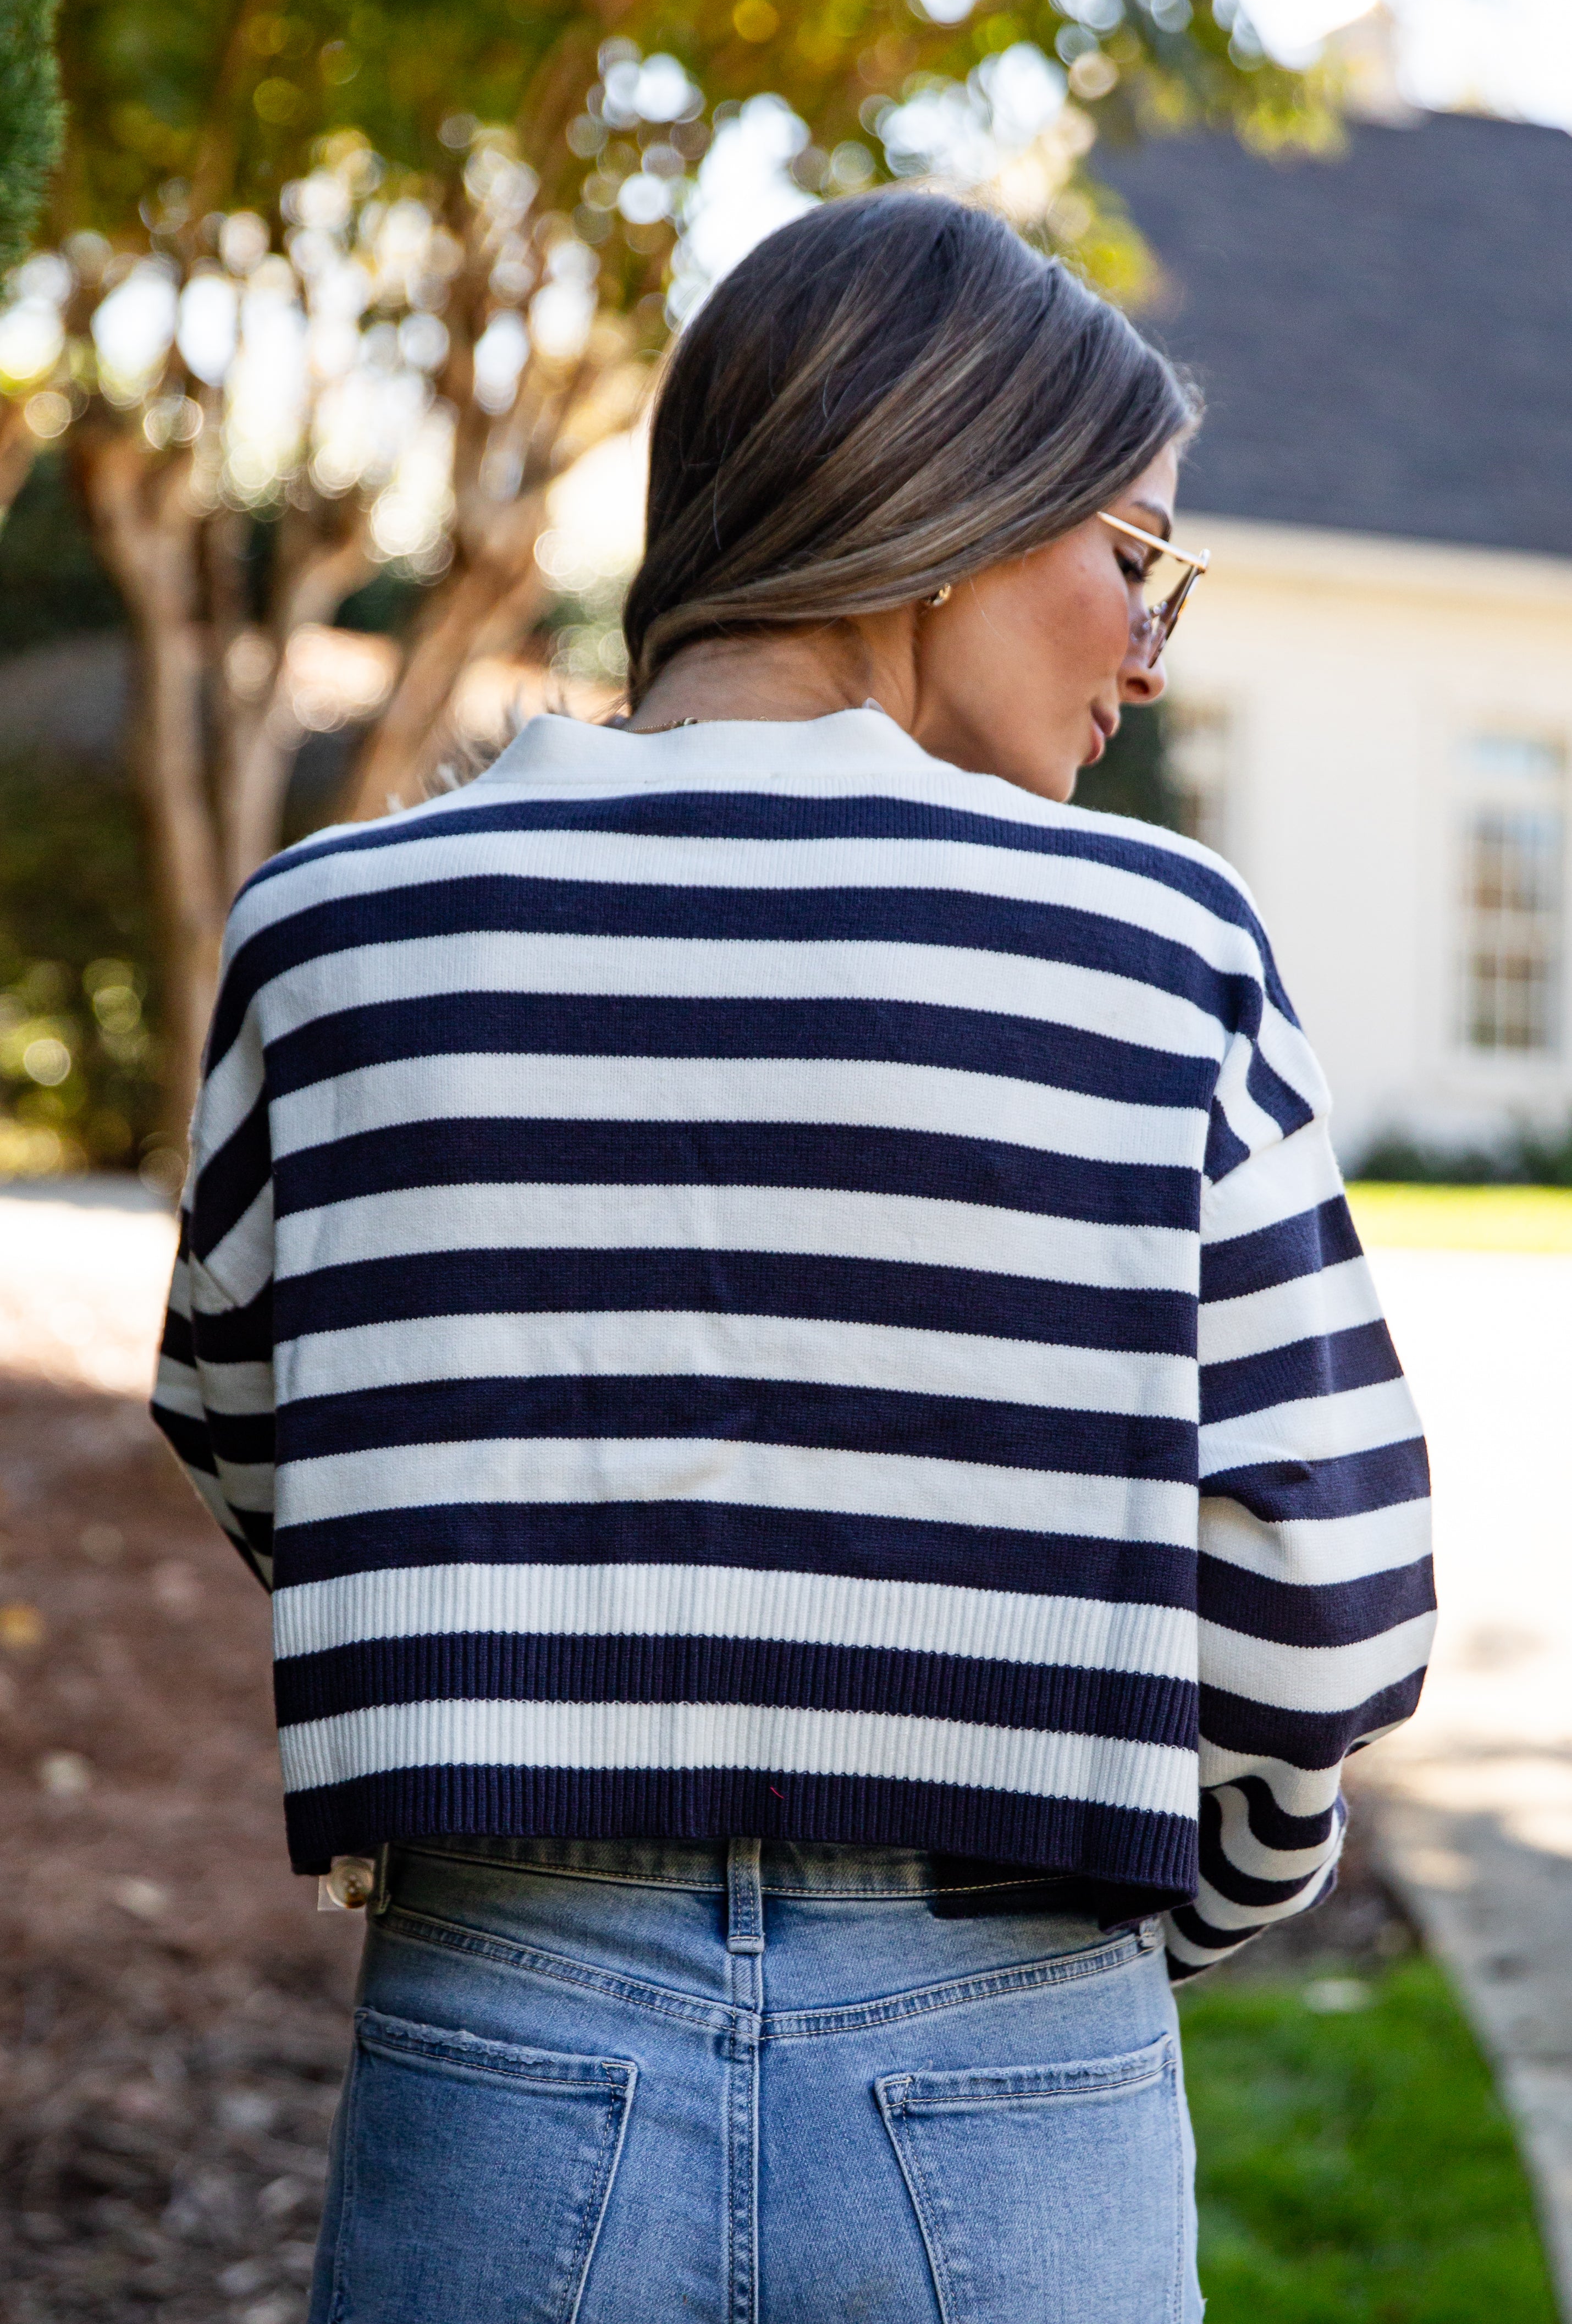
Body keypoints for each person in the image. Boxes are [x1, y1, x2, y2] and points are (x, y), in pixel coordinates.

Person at [152, 190, 1434, 2323]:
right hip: (1013, 2050)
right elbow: (1321, 1592)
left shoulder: (335, 934)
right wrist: (1143, 1911)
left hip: (501, 2035)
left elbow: (253, 1425)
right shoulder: (1157, 956)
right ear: (945, 504)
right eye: (1132, 559)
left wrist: (530, 1682)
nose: (1147, 648)